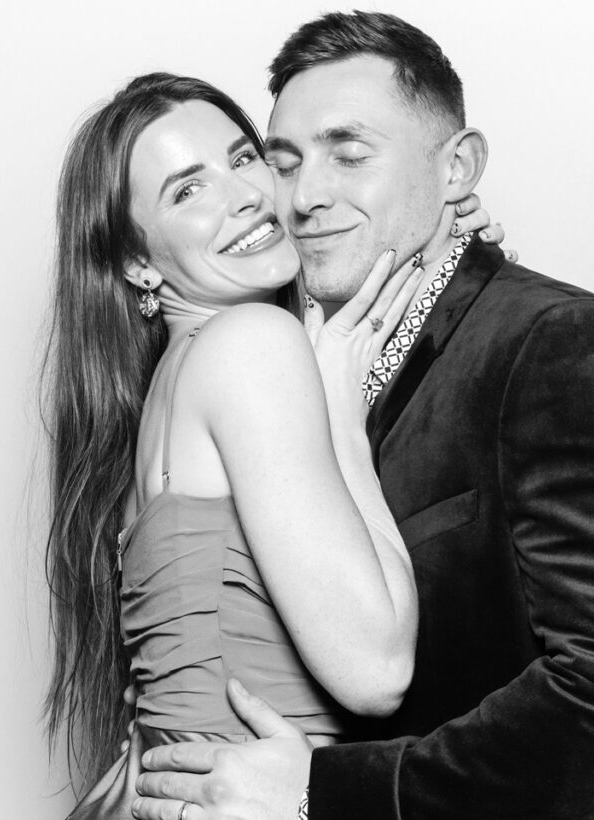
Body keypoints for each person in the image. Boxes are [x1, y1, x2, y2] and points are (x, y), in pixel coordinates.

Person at [133, 11, 594, 820]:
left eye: (349, 153)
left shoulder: (562, 347)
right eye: (284, 162)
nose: (304, 196)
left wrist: (323, 793)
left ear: (459, 170)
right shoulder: (298, 365)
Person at [41, 72, 506, 818]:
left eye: (245, 158)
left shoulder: (174, 381)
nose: (245, 196)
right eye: (187, 191)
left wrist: (434, 240)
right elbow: (377, 669)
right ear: (136, 261)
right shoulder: (255, 345)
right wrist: (343, 423)